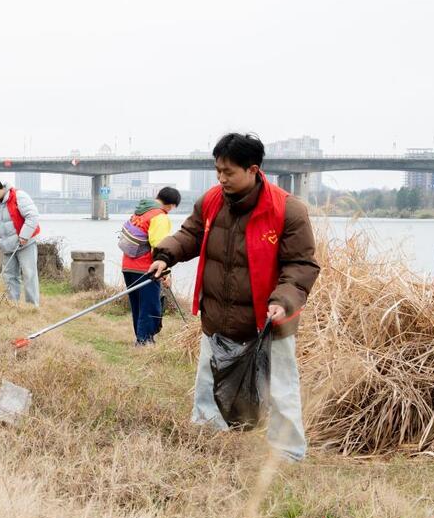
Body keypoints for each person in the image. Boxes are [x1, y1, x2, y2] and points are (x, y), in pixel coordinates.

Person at [147, 133, 319, 462]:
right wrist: (165, 255)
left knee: (281, 387)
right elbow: (190, 234)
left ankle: (288, 454)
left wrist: (282, 300)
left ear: (252, 169)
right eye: (218, 171)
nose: (221, 179)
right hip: (217, 313)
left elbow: (301, 265)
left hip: (270, 319)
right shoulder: (211, 200)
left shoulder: (288, 210)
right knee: (207, 380)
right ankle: (206, 438)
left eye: (229, 172)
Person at [120, 187, 181, 344]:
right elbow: (159, 247)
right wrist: (165, 273)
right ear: (172, 205)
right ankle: (144, 342)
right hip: (146, 268)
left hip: (127, 265)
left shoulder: (140, 211)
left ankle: (141, 339)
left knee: (137, 305)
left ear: (158, 197)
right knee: (151, 306)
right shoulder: (160, 217)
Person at [0, 179, 41, 306]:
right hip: (7, 247)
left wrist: (24, 236)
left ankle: (32, 305)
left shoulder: (19, 196)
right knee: (9, 276)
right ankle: (13, 305)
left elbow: (33, 216)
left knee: (29, 274)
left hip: (25, 244)